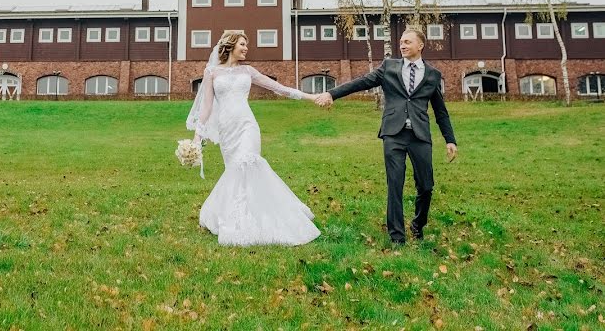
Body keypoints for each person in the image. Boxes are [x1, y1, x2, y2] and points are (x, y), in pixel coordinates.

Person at [315, 28, 457, 245]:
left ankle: (418, 225)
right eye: (401, 41)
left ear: (420, 45)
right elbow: (361, 82)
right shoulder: (389, 67)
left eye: (408, 42)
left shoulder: (432, 75)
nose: (402, 45)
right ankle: (397, 236)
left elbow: (440, 111)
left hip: (420, 135)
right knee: (395, 184)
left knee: (426, 186)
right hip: (393, 134)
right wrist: (332, 94)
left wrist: (450, 139)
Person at [187, 30, 321, 246]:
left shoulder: (248, 71)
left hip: (247, 125)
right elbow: (206, 107)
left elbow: (279, 88)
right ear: (230, 45)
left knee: (249, 164)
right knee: (235, 172)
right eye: (242, 44)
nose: (246, 48)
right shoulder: (211, 72)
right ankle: (235, 217)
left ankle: (264, 218)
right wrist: (197, 137)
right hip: (227, 129)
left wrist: (310, 96)